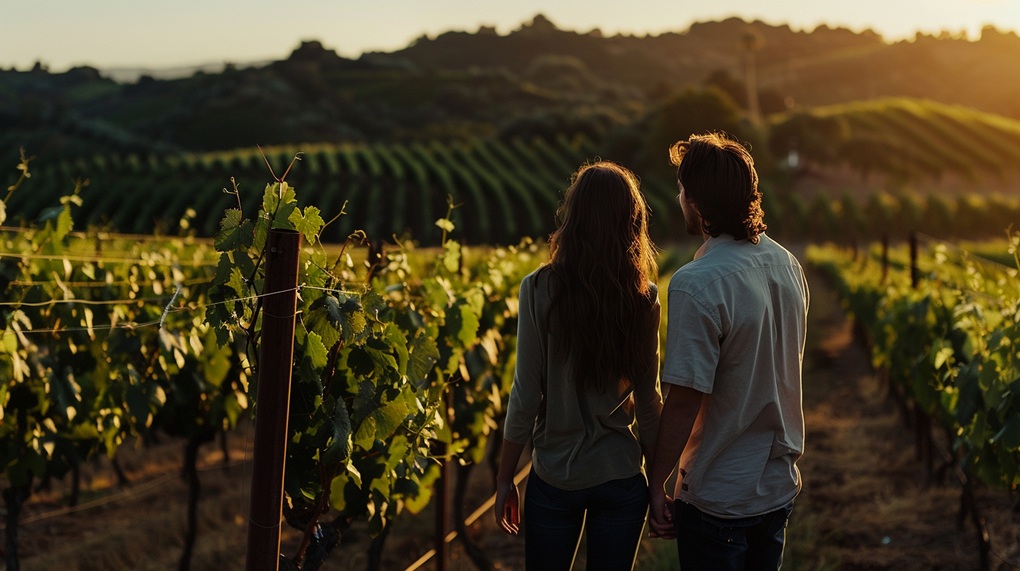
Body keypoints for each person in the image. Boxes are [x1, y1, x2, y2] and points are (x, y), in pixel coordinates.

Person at [647, 132, 809, 570]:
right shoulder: (787, 264)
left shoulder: (696, 282)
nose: (679, 197)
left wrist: (656, 482)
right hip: (776, 485)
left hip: (719, 493)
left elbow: (683, 398)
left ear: (697, 202)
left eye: (682, 189)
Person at [494, 161, 663, 571]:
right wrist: (658, 486)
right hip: (621, 477)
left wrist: (504, 479)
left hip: (556, 477)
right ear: (632, 223)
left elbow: (525, 394)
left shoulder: (538, 288)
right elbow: (649, 400)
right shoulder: (644, 298)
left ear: (574, 218)